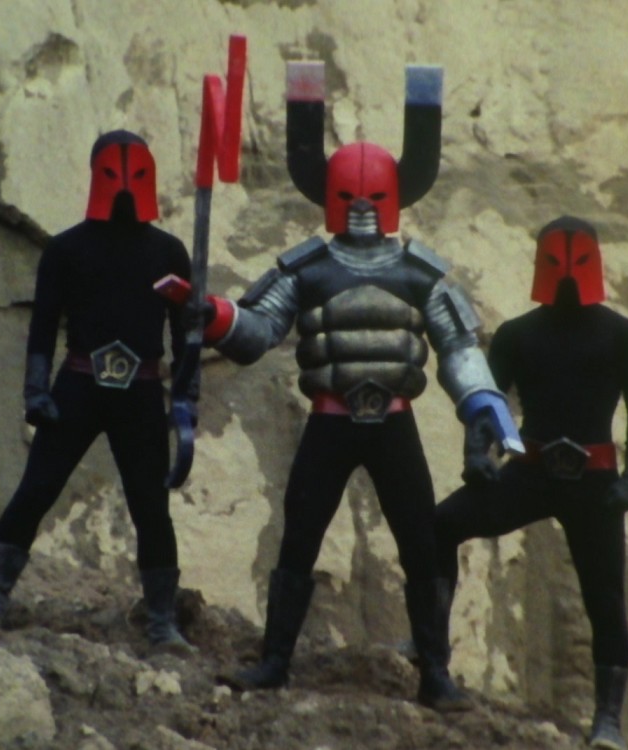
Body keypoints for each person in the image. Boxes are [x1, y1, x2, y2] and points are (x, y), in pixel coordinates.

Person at [195, 62, 522, 712]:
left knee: (421, 546)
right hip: (330, 418)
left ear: (394, 195)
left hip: (394, 420)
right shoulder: (307, 269)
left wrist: (483, 403)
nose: (364, 208)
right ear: (331, 195)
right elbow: (258, 331)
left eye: (374, 197)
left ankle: (435, 673)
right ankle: (274, 662)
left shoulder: (420, 272)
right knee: (299, 539)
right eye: (351, 196)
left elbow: (459, 348)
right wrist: (218, 316)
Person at [0, 130, 195, 652]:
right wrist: (35, 390)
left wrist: (187, 392)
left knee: (151, 507)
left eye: (136, 173)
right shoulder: (66, 249)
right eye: (114, 173)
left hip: (140, 391)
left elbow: (183, 333)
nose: (125, 185)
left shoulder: (168, 252)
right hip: (79, 383)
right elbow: (44, 324)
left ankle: (162, 620)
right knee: (37, 488)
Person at [433, 216, 628, 749]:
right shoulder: (517, 335)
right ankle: (429, 649)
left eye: (578, 261)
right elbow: (486, 405)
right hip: (528, 472)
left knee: (604, 597)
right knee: (440, 525)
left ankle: (607, 721)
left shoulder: (622, 336)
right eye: (557, 260)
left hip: (594, 482)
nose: (568, 273)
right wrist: (477, 456)